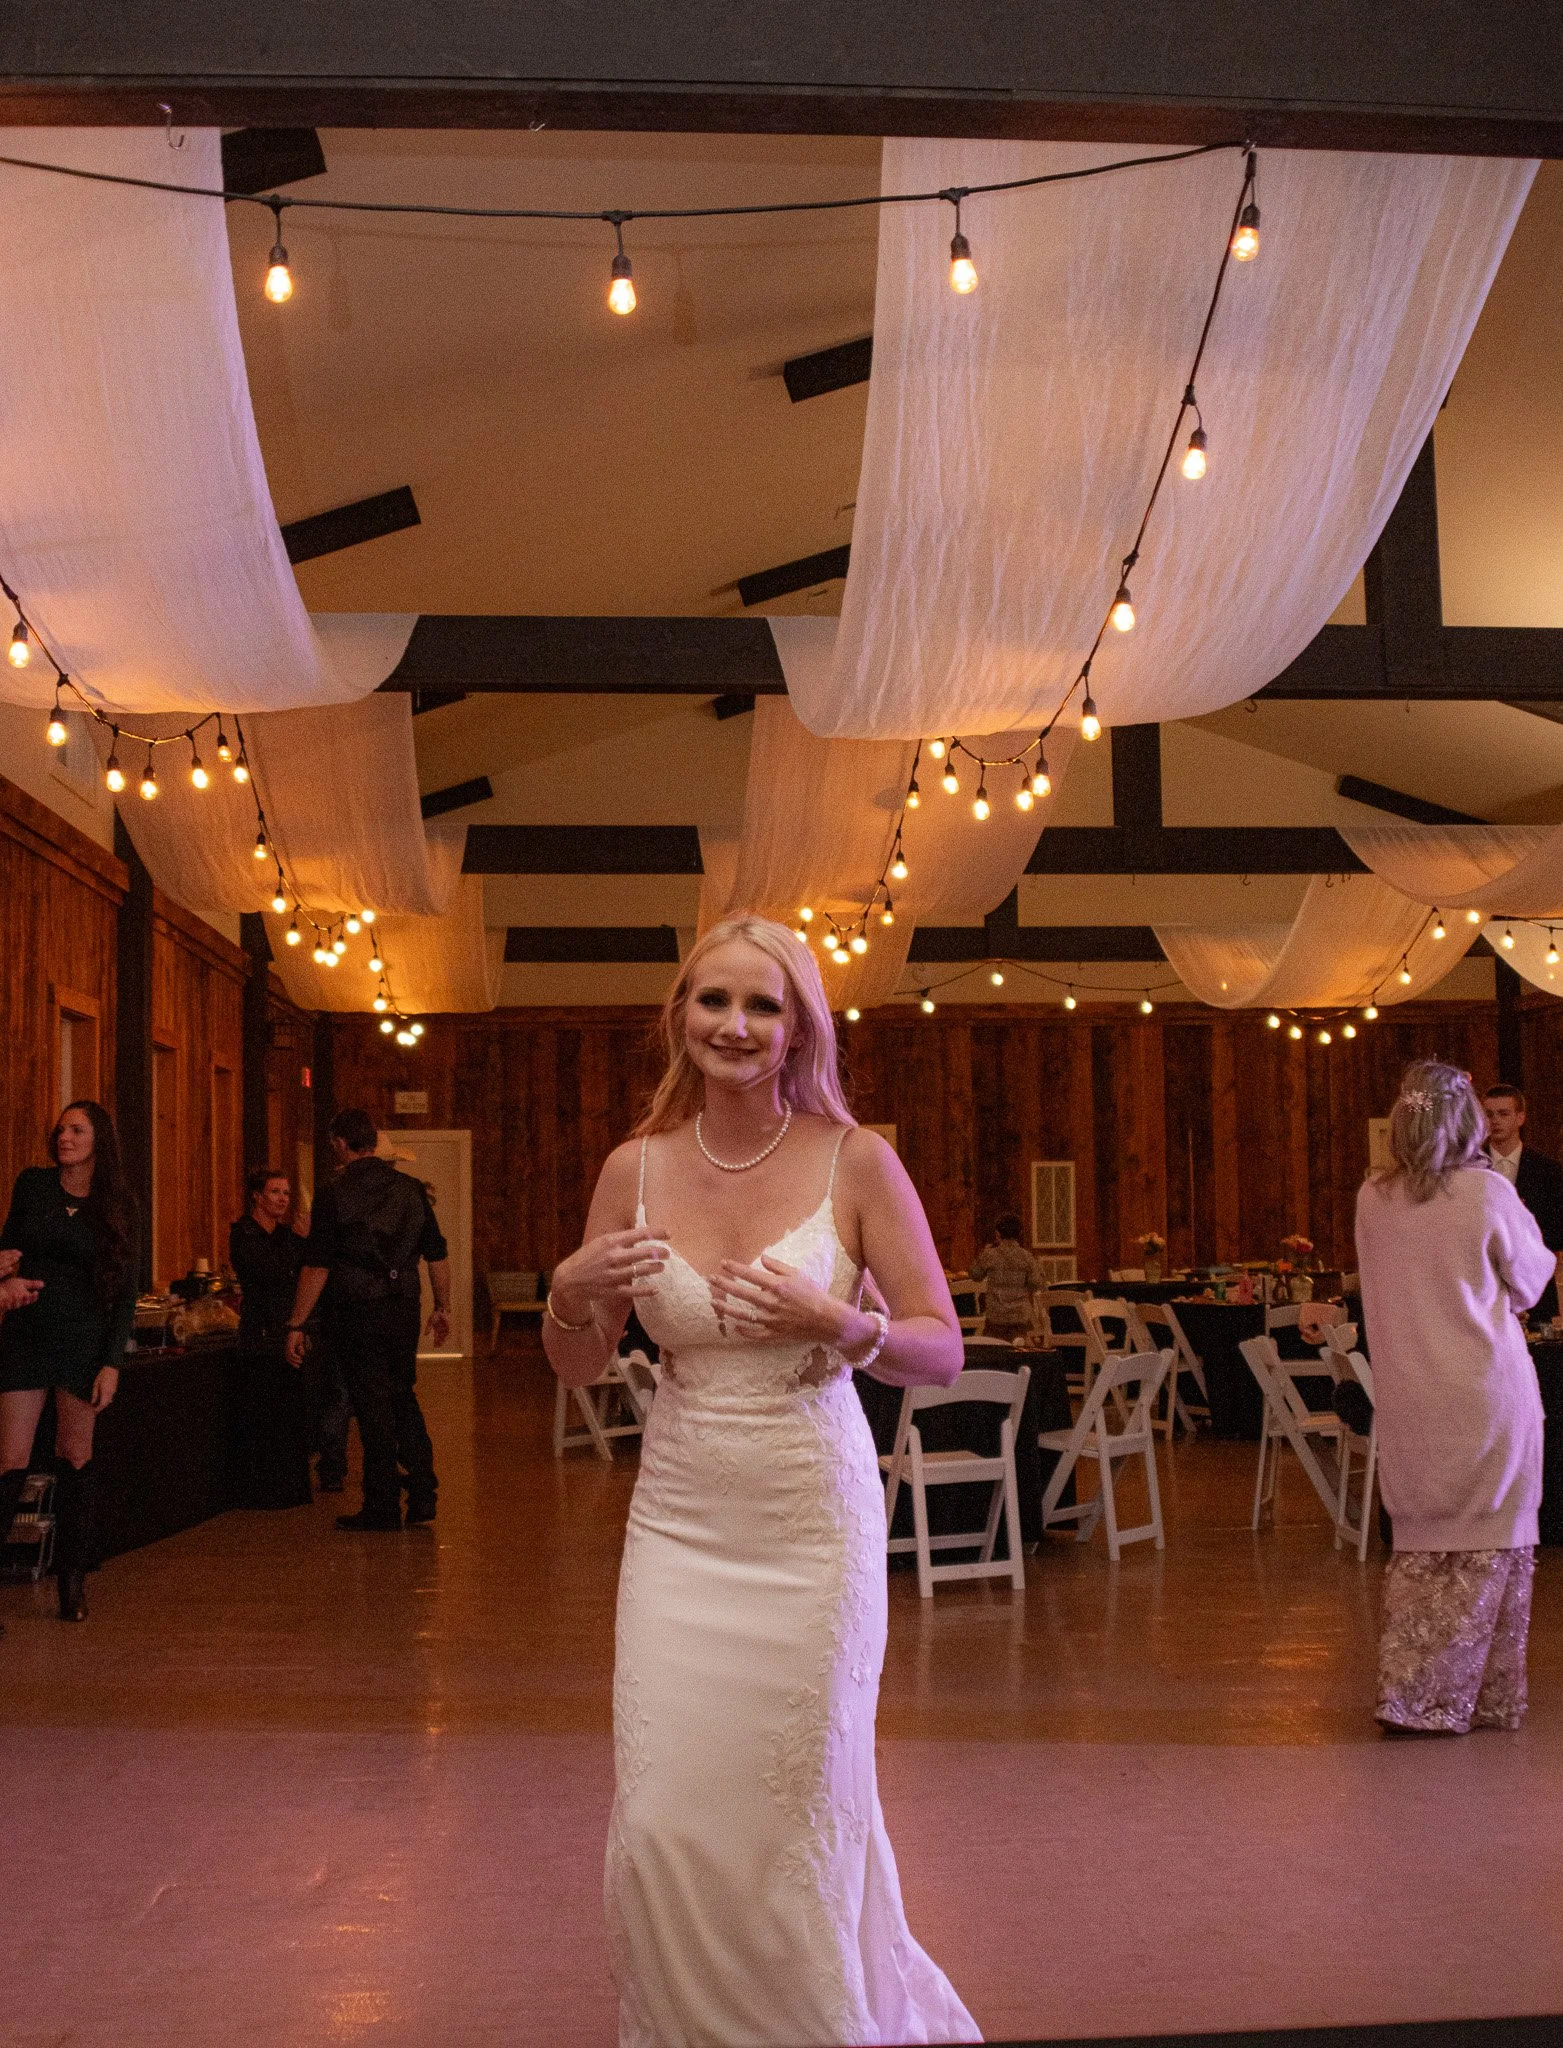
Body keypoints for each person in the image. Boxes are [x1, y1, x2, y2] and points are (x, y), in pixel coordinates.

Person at [545, 913, 979, 2047]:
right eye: (715, 1000)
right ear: (680, 1016)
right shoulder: (633, 1169)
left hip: (808, 1527)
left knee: (795, 1807)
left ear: (798, 1030)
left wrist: (840, 1321)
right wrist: (569, 1291)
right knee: (663, 1812)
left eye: (762, 1005)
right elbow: (581, 1363)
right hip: (681, 1524)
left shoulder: (856, 1160)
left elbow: (940, 1347)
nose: (735, 1025)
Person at [1355, 1061, 1554, 1736]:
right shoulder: (1486, 1192)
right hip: (1485, 1391)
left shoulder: (1372, 1198)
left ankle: (1414, 1693)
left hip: (1409, 1394)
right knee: (1493, 1546)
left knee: (1422, 1545)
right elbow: (1532, 1281)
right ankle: (1479, 1698)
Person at [0, 1101, 139, 1622]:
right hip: (27, 1334)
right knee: (10, 1458)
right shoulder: (34, 1185)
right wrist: (6, 1279)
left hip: (84, 1340)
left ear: (99, 1139)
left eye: (77, 1130)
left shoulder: (120, 1203)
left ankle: (72, 1583)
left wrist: (111, 1362)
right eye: (61, 1129)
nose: (65, 1137)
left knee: (75, 1457)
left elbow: (126, 1292)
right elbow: (8, 1250)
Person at [283, 1110, 451, 1532]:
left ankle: (382, 1504)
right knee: (402, 1393)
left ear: (341, 1143)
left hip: (356, 1308)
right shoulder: (411, 1190)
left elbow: (318, 1264)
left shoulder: (333, 1193)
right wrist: (442, 1307)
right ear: (374, 1142)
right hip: (403, 1306)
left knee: (371, 1403)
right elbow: (436, 1254)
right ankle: (423, 1491)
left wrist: (296, 1323)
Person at [228, 1168, 313, 1509]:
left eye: (286, 1193)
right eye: (275, 1192)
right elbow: (269, 1272)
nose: (282, 1199)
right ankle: (262, 1491)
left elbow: (302, 1275)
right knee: (264, 1411)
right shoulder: (244, 1233)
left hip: (288, 1327)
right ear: (257, 1196)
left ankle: (288, 1489)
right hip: (260, 1332)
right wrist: (299, 1242)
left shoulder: (286, 1235)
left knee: (290, 1412)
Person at [1481, 1082, 1563, 1323]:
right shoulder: (1471, 1168)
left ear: (1520, 1117)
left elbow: (1557, 1230)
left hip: (1536, 1285)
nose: (1495, 1121)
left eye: (1503, 1114)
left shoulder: (1548, 1171)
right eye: (1489, 1114)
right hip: (1486, 1285)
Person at [968, 1212, 1042, 1340]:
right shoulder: (1027, 1257)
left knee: (994, 1346)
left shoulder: (990, 1255)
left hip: (995, 1318)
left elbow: (975, 1275)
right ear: (1020, 1233)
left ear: (997, 1234)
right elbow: (1035, 1283)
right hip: (1019, 1318)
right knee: (1017, 1347)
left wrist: (983, 1253)